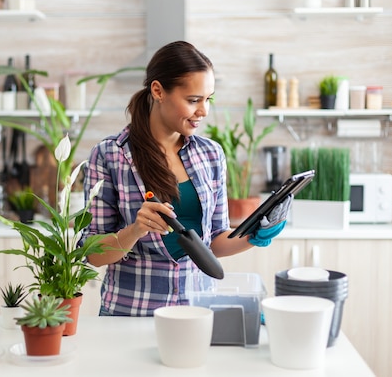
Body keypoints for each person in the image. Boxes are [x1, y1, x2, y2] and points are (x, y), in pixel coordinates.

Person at [80, 41, 289, 316]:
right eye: (193, 100)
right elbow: (94, 254)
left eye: (208, 99)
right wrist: (136, 230)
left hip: (197, 310)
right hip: (131, 312)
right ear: (158, 91)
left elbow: (213, 240)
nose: (204, 111)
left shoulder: (210, 154)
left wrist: (254, 236)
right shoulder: (110, 155)